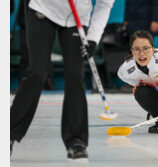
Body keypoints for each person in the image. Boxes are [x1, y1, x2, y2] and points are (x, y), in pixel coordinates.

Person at [10, 0, 115, 161]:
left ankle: (76, 141)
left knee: (75, 75)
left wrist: (93, 39)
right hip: (43, 8)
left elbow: (105, 5)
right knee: (37, 71)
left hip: (77, 18)